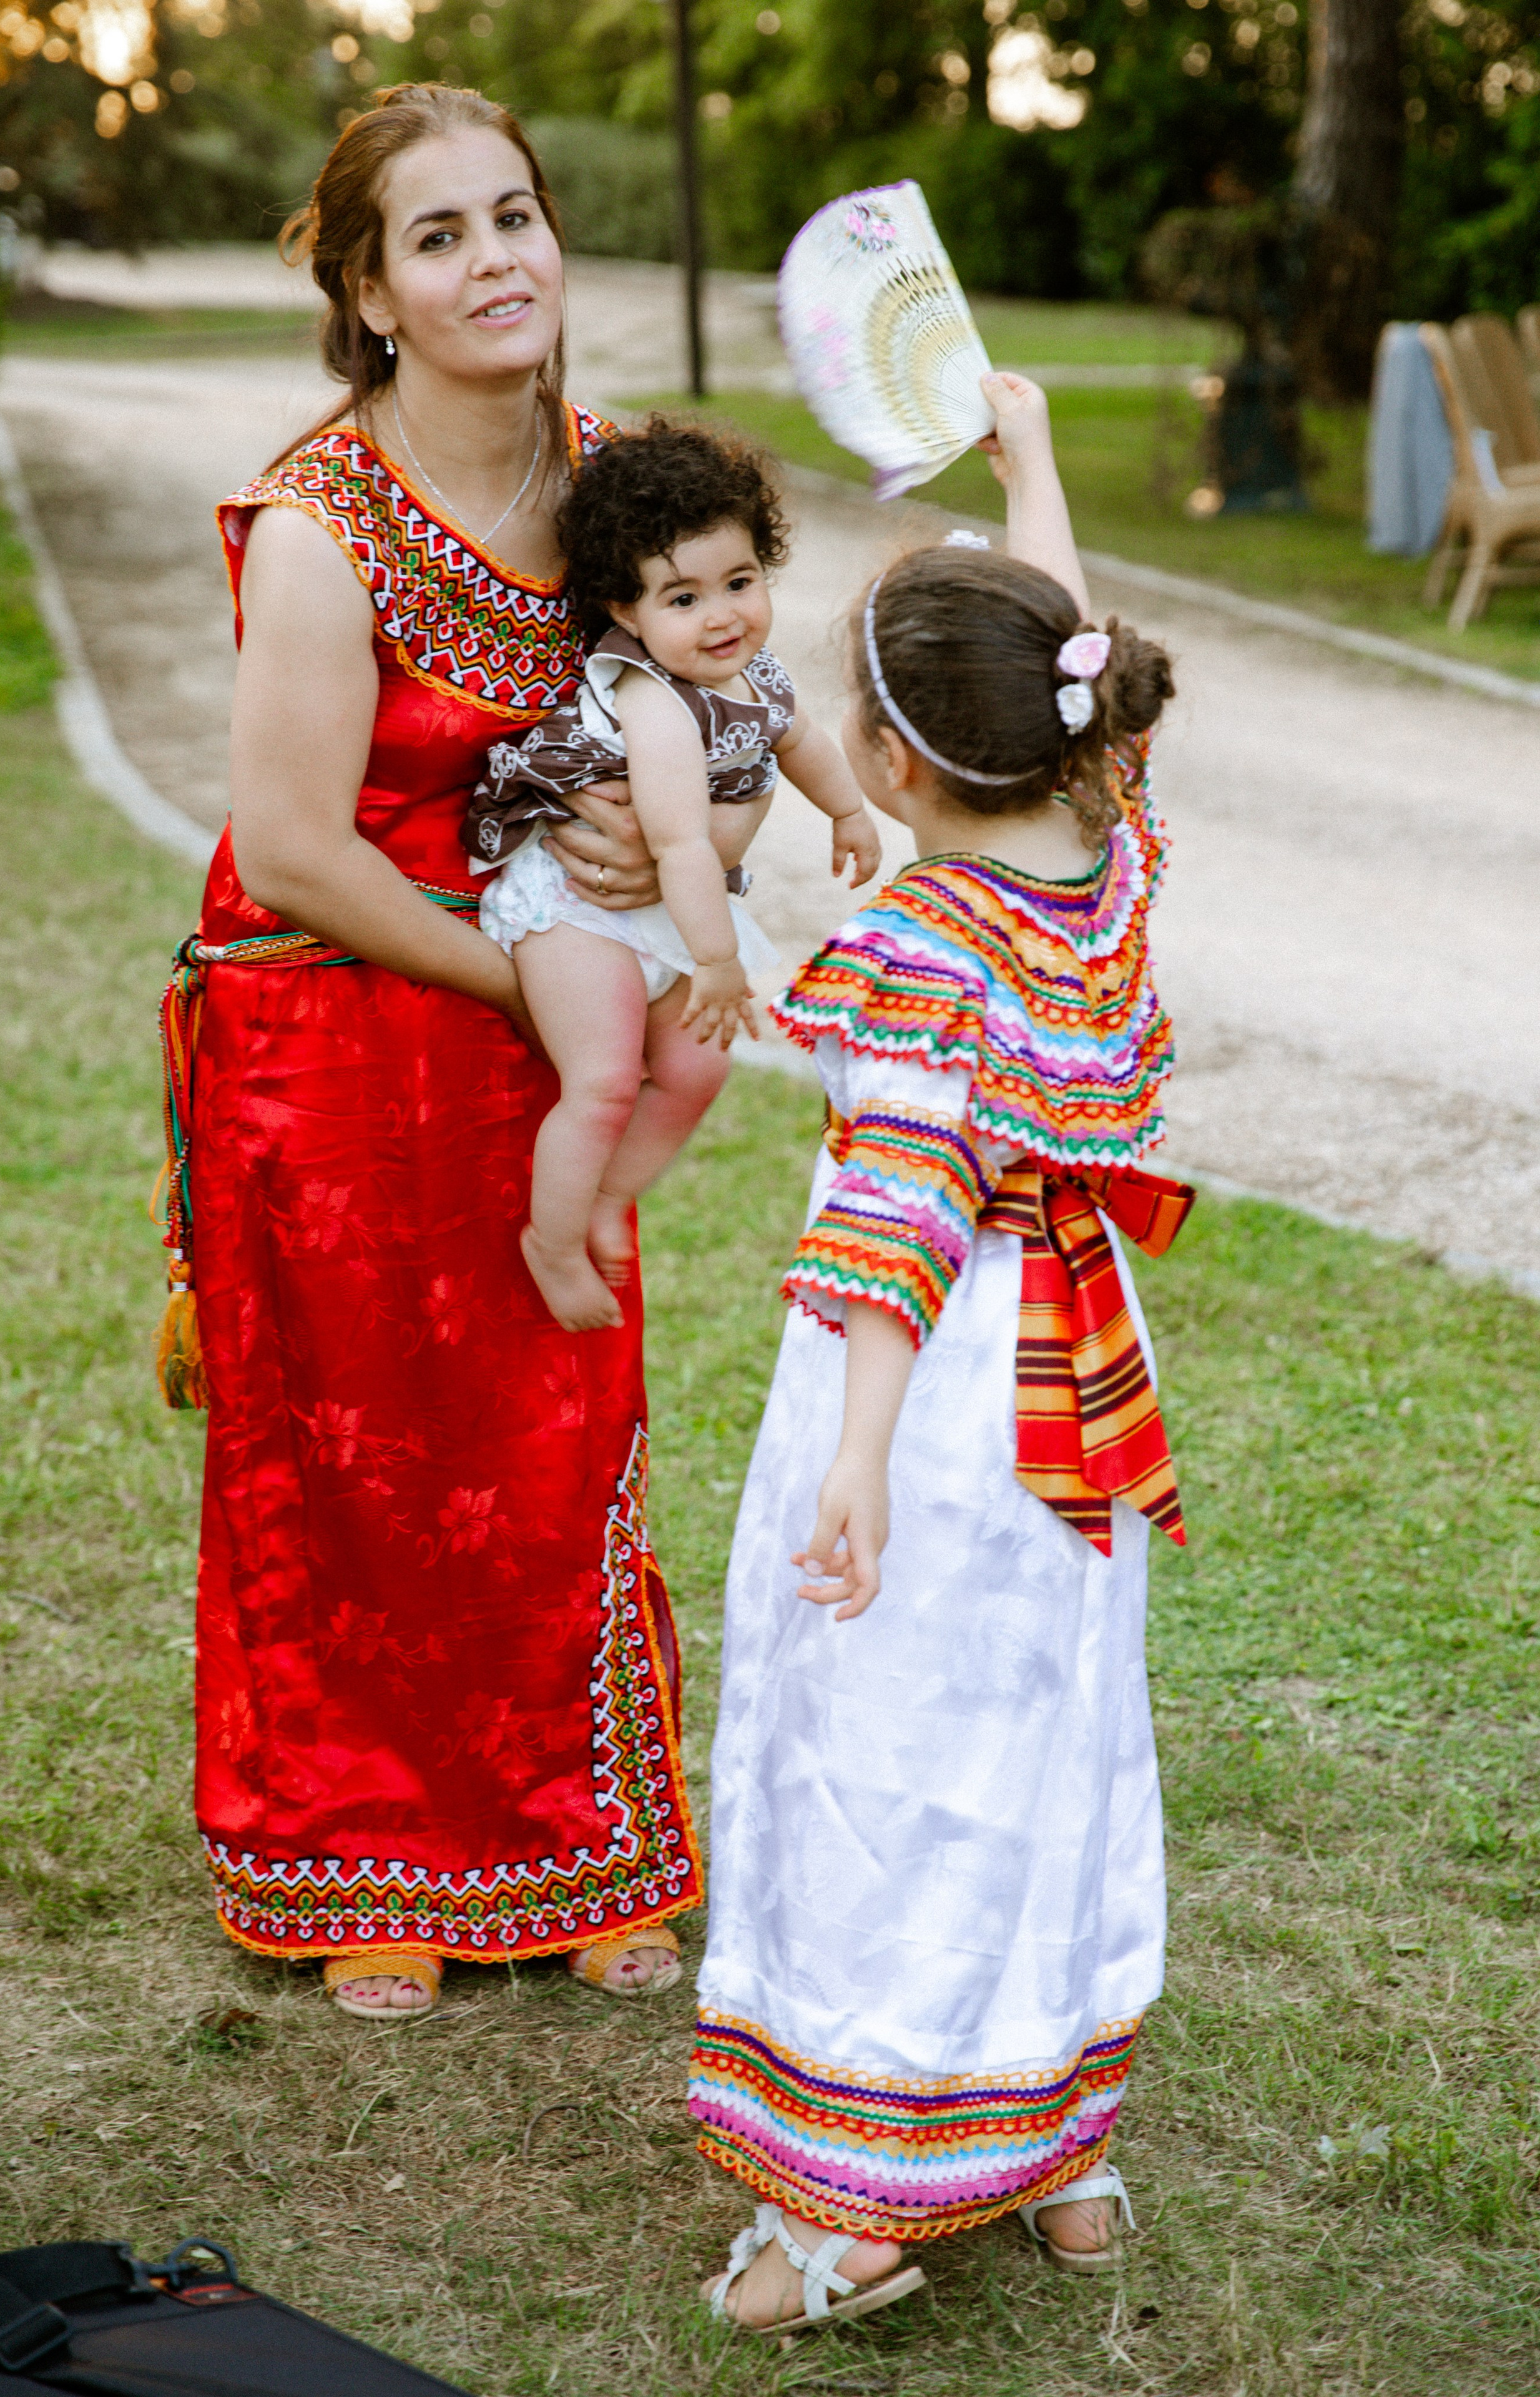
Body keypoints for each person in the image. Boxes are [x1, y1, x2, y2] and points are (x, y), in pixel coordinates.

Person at [172, 84, 708, 2021]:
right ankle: (366, 1854)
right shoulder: (322, 519)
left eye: (518, 215)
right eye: (442, 236)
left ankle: (583, 1845)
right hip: (336, 1032)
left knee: (559, 1430)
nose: (499, 262)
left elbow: (725, 718)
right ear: (371, 290)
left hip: (553, 1034)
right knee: (362, 1459)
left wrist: (684, 855)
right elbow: (300, 844)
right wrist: (532, 979)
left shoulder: (633, 482)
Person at [688, 372, 1194, 2332]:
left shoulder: (921, 949)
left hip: (958, 1383)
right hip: (1087, 1361)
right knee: (1049, 1736)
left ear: (890, 775)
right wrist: (1035, 465)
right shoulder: (1106, 855)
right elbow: (1056, 664)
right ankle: (1061, 2159)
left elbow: (896, 1206)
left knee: (886, 1752)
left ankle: (859, 2215)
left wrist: (857, 1461)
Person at [464, 419, 881, 1332]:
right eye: (683, 599)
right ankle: (553, 1239)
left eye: (739, 583)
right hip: (576, 909)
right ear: (628, 610)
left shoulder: (754, 674)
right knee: (607, 1079)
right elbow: (682, 844)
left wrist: (848, 811)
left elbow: (799, 739)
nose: (723, 614)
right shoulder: (653, 698)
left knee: (695, 1069)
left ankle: (613, 1194)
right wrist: (720, 960)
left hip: (666, 913)